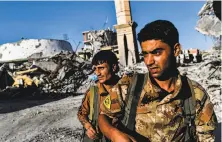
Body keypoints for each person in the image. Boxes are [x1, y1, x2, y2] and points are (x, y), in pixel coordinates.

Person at [98, 20, 218, 142]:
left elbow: (207, 137)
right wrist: (114, 134)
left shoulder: (194, 94)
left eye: (157, 52)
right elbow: (104, 116)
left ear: (176, 50)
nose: (149, 61)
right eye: (145, 54)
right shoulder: (130, 85)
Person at [77, 50, 131, 141]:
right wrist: (88, 126)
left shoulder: (127, 88)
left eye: (101, 68)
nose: (97, 73)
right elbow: (82, 113)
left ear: (113, 67)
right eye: (96, 68)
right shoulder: (93, 92)